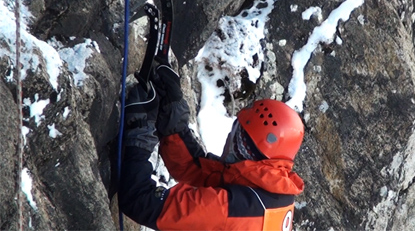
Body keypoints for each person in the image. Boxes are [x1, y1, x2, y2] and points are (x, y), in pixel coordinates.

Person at [119, 63, 305, 230]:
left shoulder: (232, 209)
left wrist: (139, 139)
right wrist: (174, 126)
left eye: (240, 144)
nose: (231, 148)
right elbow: (198, 172)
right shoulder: (274, 191)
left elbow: (139, 200)